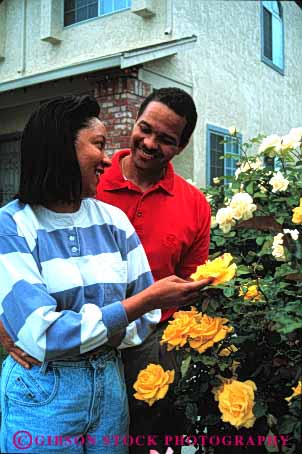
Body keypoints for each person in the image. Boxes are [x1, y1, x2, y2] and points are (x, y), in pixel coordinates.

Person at [0, 95, 210, 454]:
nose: (107, 157)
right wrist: (16, 319)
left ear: (182, 145)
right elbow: (42, 335)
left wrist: (74, 331)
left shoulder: (115, 218)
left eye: (166, 138)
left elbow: (152, 314)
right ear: (59, 149)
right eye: (98, 145)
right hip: (47, 386)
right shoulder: (15, 222)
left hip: (119, 377)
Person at [96, 88, 211, 453]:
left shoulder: (194, 204)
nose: (148, 143)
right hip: (88, 332)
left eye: (165, 139)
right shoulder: (89, 180)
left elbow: (190, 285)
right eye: (144, 129)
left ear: (182, 145)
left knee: (145, 438)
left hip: (153, 345)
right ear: (135, 119)